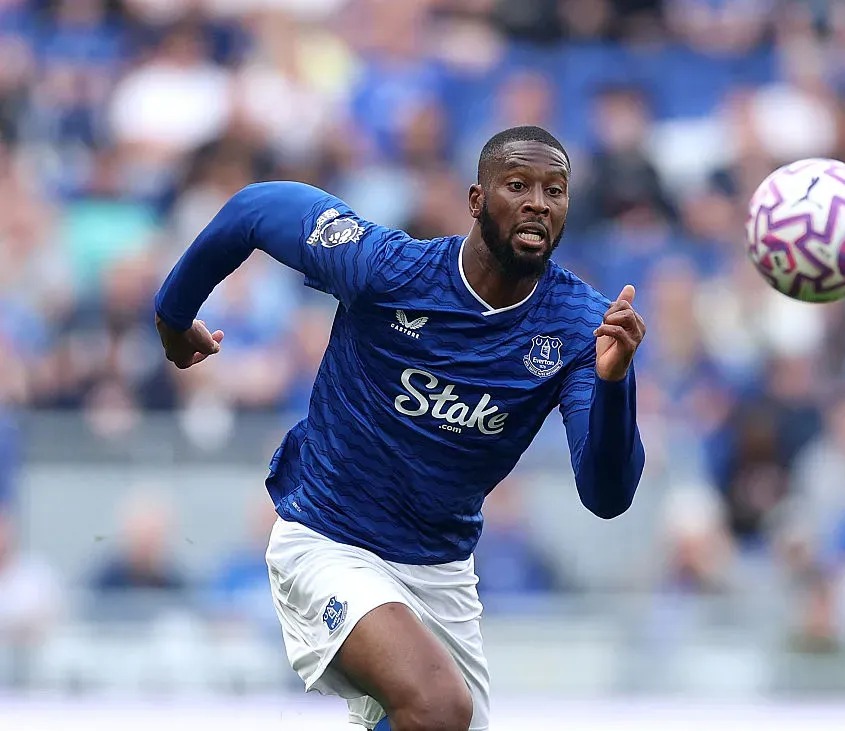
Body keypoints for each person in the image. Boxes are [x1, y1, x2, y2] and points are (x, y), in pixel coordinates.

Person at [153, 126, 646, 731]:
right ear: (475, 200)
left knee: (440, 716)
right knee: (437, 706)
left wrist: (615, 386)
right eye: (518, 185)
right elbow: (254, 209)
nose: (538, 202)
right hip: (329, 538)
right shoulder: (387, 269)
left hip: (441, 570)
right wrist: (174, 317)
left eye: (555, 190)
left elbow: (607, 497)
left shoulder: (581, 330)